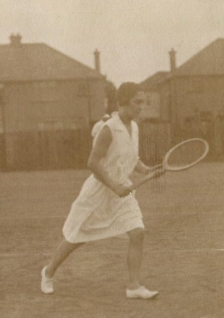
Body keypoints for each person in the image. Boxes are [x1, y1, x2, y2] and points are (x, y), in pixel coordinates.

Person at [41, 82, 163, 299]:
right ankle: (48, 272)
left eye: (143, 102)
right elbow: (93, 163)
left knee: (138, 232)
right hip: (98, 192)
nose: (141, 107)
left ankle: (133, 286)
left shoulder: (134, 127)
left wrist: (147, 169)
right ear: (122, 103)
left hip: (122, 191)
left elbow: (131, 159)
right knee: (77, 237)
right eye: (137, 102)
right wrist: (114, 186)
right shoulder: (108, 129)